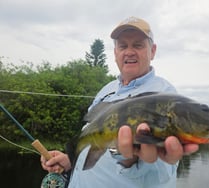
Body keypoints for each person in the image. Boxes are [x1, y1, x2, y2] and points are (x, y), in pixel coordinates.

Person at [41, 16, 199, 188]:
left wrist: (130, 160)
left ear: (152, 51)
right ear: (116, 52)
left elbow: (161, 174)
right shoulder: (106, 90)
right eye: (123, 46)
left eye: (138, 45)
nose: (129, 51)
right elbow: (95, 141)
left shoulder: (165, 97)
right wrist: (70, 161)